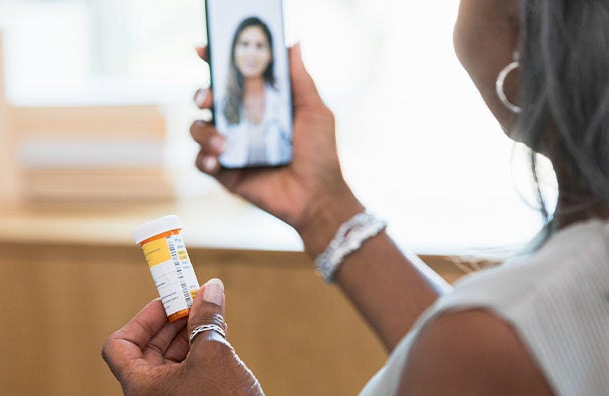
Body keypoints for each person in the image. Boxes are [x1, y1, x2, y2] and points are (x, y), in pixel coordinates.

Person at [102, 0, 609, 394]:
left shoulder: (489, 339)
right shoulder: (512, 325)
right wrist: (324, 209)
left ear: (526, 30)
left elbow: (492, 345)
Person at [216, 16, 292, 168]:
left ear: (270, 55)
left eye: (259, 46)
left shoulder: (285, 100)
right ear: (234, 52)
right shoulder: (222, 104)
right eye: (244, 44)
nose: (251, 53)